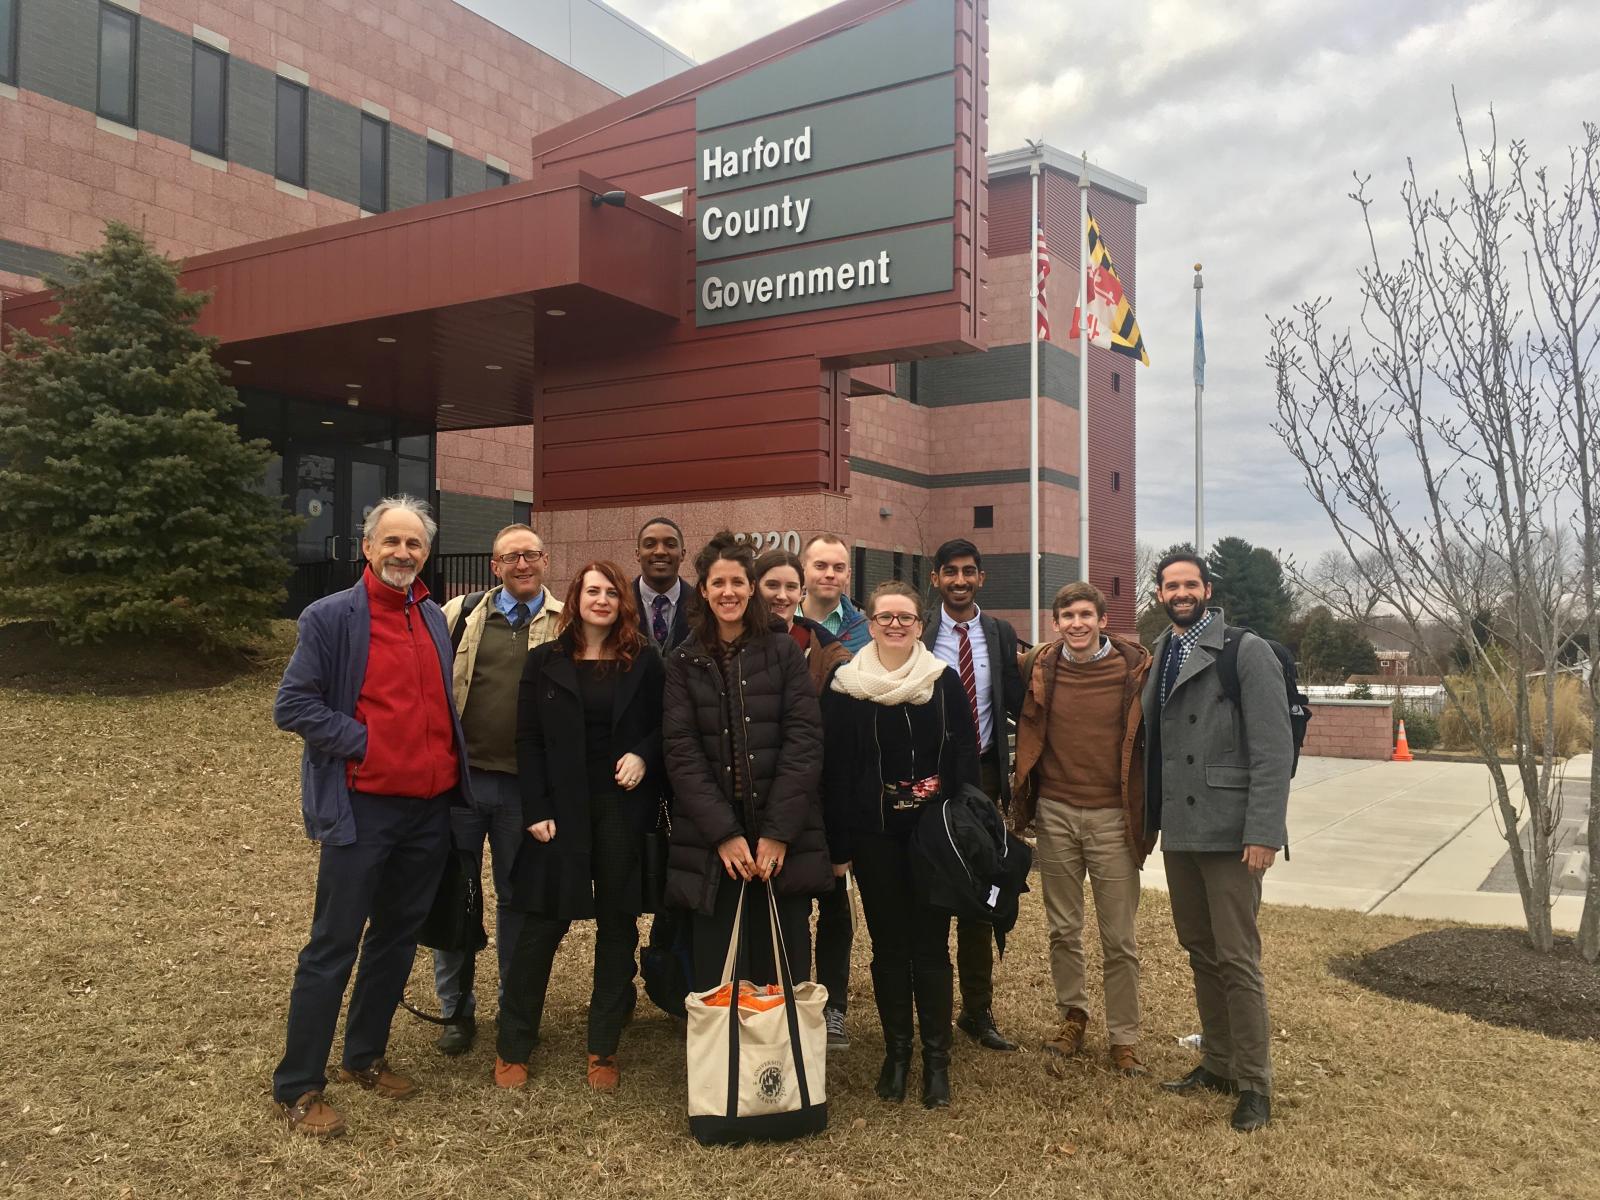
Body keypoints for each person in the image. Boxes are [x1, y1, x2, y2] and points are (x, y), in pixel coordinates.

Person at [269, 495, 473, 1138]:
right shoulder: (330, 618)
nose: (403, 554)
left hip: (428, 811)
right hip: (363, 810)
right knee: (333, 945)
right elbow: (293, 706)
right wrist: (367, 742)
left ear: (426, 554)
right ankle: (298, 1085)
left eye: (414, 544)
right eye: (392, 542)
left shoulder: (433, 617)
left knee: (394, 939)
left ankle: (364, 1055)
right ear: (367, 547)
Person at [495, 561, 665, 1092]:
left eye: (611, 592)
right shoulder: (543, 661)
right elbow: (526, 739)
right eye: (592, 591)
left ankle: (603, 1047)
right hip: (559, 811)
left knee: (617, 925)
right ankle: (514, 1044)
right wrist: (536, 808)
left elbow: (669, 725)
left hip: (620, 808)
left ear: (623, 602)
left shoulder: (645, 661)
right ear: (576, 598)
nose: (602, 600)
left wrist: (643, 753)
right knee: (541, 925)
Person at [1143, 551, 1291, 1133]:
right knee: (1200, 950)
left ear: (1207, 589)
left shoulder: (1245, 651)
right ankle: (1220, 1062)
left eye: (1190, 584)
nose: (1181, 593)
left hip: (1232, 833)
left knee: (1238, 957)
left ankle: (1254, 1082)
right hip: (1181, 830)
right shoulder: (1161, 651)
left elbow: (1273, 749)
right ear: (1159, 595)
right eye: (1170, 585)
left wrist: (1263, 832)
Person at [821, 580, 979, 1109]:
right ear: (869, 620)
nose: (895, 625)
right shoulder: (845, 686)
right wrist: (839, 845)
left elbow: (964, 759)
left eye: (905, 618)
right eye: (885, 616)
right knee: (889, 949)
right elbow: (835, 771)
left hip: (930, 837)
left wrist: (949, 809)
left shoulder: (943, 682)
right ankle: (897, 1054)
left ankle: (937, 1062)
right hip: (873, 837)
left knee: (931, 947)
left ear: (918, 623)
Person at [662, 531, 826, 998]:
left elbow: (804, 741)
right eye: (718, 583)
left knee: (783, 958)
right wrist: (724, 834)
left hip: (781, 831)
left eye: (738, 581)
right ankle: (728, 1061)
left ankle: (782, 1063)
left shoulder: (783, 653)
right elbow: (682, 751)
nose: (728, 592)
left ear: (752, 587)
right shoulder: (683, 661)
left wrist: (777, 833)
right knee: (720, 963)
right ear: (705, 590)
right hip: (715, 836)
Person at [431, 524, 563, 1057]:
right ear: (495, 565)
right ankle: (455, 1010)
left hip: (524, 793)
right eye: (511, 557)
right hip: (462, 784)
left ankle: (514, 1006)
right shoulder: (458, 614)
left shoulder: (567, 621)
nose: (522, 564)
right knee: (456, 902)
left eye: (531, 554)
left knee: (517, 902)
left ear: (546, 560)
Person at [1011, 582, 1154, 1077]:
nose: (1077, 623)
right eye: (1067, 615)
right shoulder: (1038, 668)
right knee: (1063, 929)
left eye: (1085, 615)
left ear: (1102, 620)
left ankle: (1124, 1038)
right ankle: (1073, 1015)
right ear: (1056, 622)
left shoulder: (1135, 669)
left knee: (1119, 938)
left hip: (1114, 818)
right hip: (1055, 814)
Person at [922, 538, 1023, 1052]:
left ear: (981, 577)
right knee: (931, 896)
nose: (959, 580)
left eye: (969, 571)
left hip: (982, 782)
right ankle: (931, 1005)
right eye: (950, 572)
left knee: (979, 894)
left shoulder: (1000, 635)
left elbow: (1025, 701)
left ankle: (978, 1011)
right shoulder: (918, 630)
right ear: (936, 577)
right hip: (927, 781)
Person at [756, 547, 854, 1049]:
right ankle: (778, 1001)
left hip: (824, 797)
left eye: (789, 587)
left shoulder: (830, 652)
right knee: (781, 909)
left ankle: (833, 1005)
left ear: (802, 592)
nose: (781, 595)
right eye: (771, 585)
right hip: (765, 801)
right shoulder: (739, 645)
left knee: (834, 903)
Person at [798, 532, 870, 653]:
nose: (830, 574)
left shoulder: (867, 632)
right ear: (802, 571)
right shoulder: (778, 624)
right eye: (820, 566)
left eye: (838, 568)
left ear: (848, 576)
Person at [635, 516, 697, 653]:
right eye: (650, 544)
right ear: (638, 554)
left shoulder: (702, 604)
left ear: (683, 554)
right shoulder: (618, 603)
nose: (660, 551)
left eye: (670, 544)